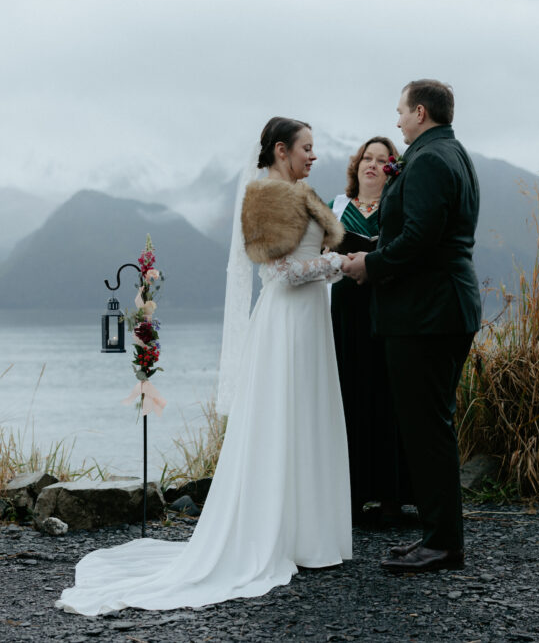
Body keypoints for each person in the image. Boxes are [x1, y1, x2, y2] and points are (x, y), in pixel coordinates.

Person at [56, 118, 352, 614]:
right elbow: (277, 272)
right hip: (286, 324)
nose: (313, 156)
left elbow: (309, 256)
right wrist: (339, 266)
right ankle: (282, 535)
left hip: (310, 322)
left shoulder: (301, 192)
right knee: (285, 419)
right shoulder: (265, 196)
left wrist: (332, 265)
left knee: (309, 419)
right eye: (306, 148)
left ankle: (309, 536)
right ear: (281, 150)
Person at [341, 79, 481, 573]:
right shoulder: (453, 154)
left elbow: (420, 238)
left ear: (420, 112)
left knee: (427, 428)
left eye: (401, 111)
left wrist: (369, 265)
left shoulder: (427, 162)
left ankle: (442, 543)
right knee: (430, 424)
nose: (397, 120)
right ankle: (439, 536)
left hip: (428, 313)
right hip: (442, 307)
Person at [328, 136, 413, 523]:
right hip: (345, 313)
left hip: (386, 309)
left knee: (389, 397)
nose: (372, 165)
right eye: (367, 157)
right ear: (356, 164)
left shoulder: (398, 207)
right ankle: (350, 497)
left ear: (392, 169)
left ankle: (392, 497)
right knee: (348, 396)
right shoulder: (334, 208)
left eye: (382, 160)